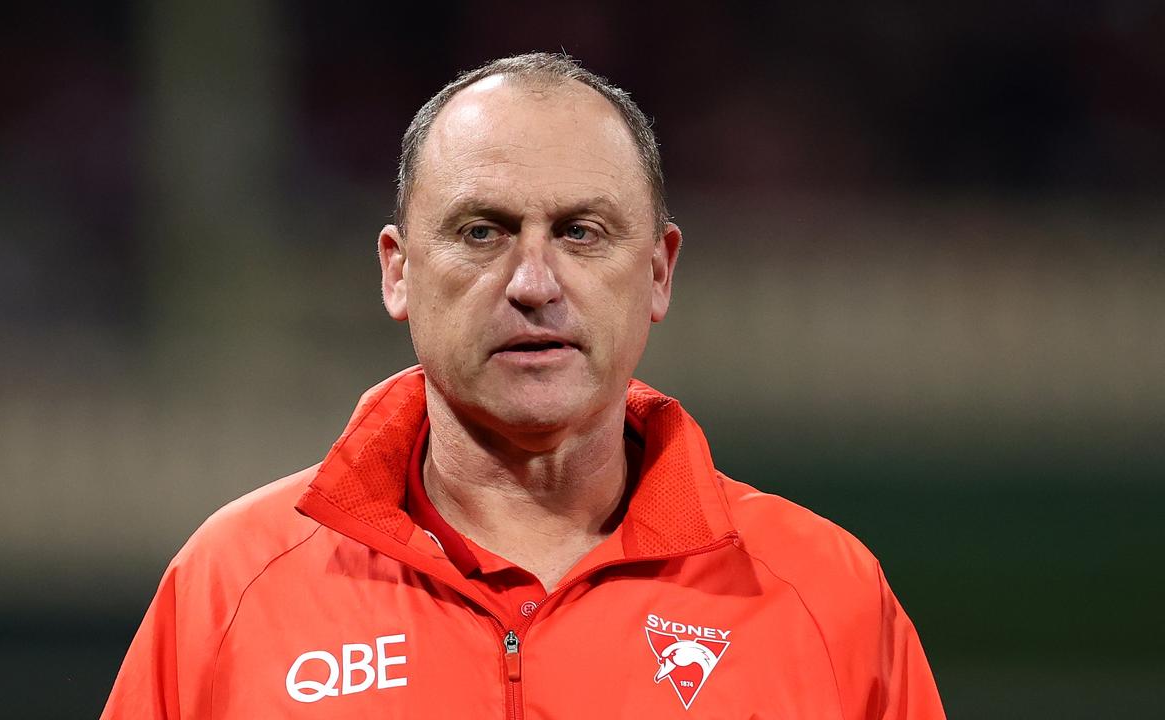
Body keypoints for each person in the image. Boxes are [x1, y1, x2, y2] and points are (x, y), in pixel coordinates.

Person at [102, 53, 945, 719]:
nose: (534, 281)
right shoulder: (233, 586)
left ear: (657, 272)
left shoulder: (823, 594)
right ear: (397, 272)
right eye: (482, 231)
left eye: (582, 232)